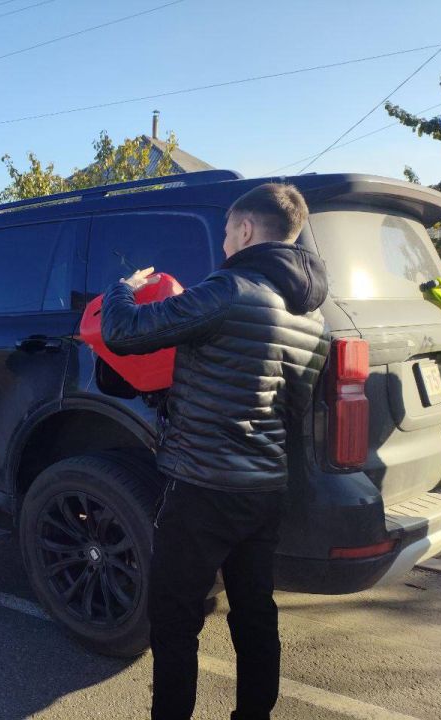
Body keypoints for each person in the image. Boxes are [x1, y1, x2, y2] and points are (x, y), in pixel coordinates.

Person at [100, 183, 330, 719]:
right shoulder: (312, 317)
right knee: (254, 612)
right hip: (264, 488)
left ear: (246, 229)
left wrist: (122, 287)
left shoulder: (230, 289)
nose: (224, 244)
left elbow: (123, 332)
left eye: (227, 232)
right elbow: (293, 409)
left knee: (175, 618)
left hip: (203, 486)